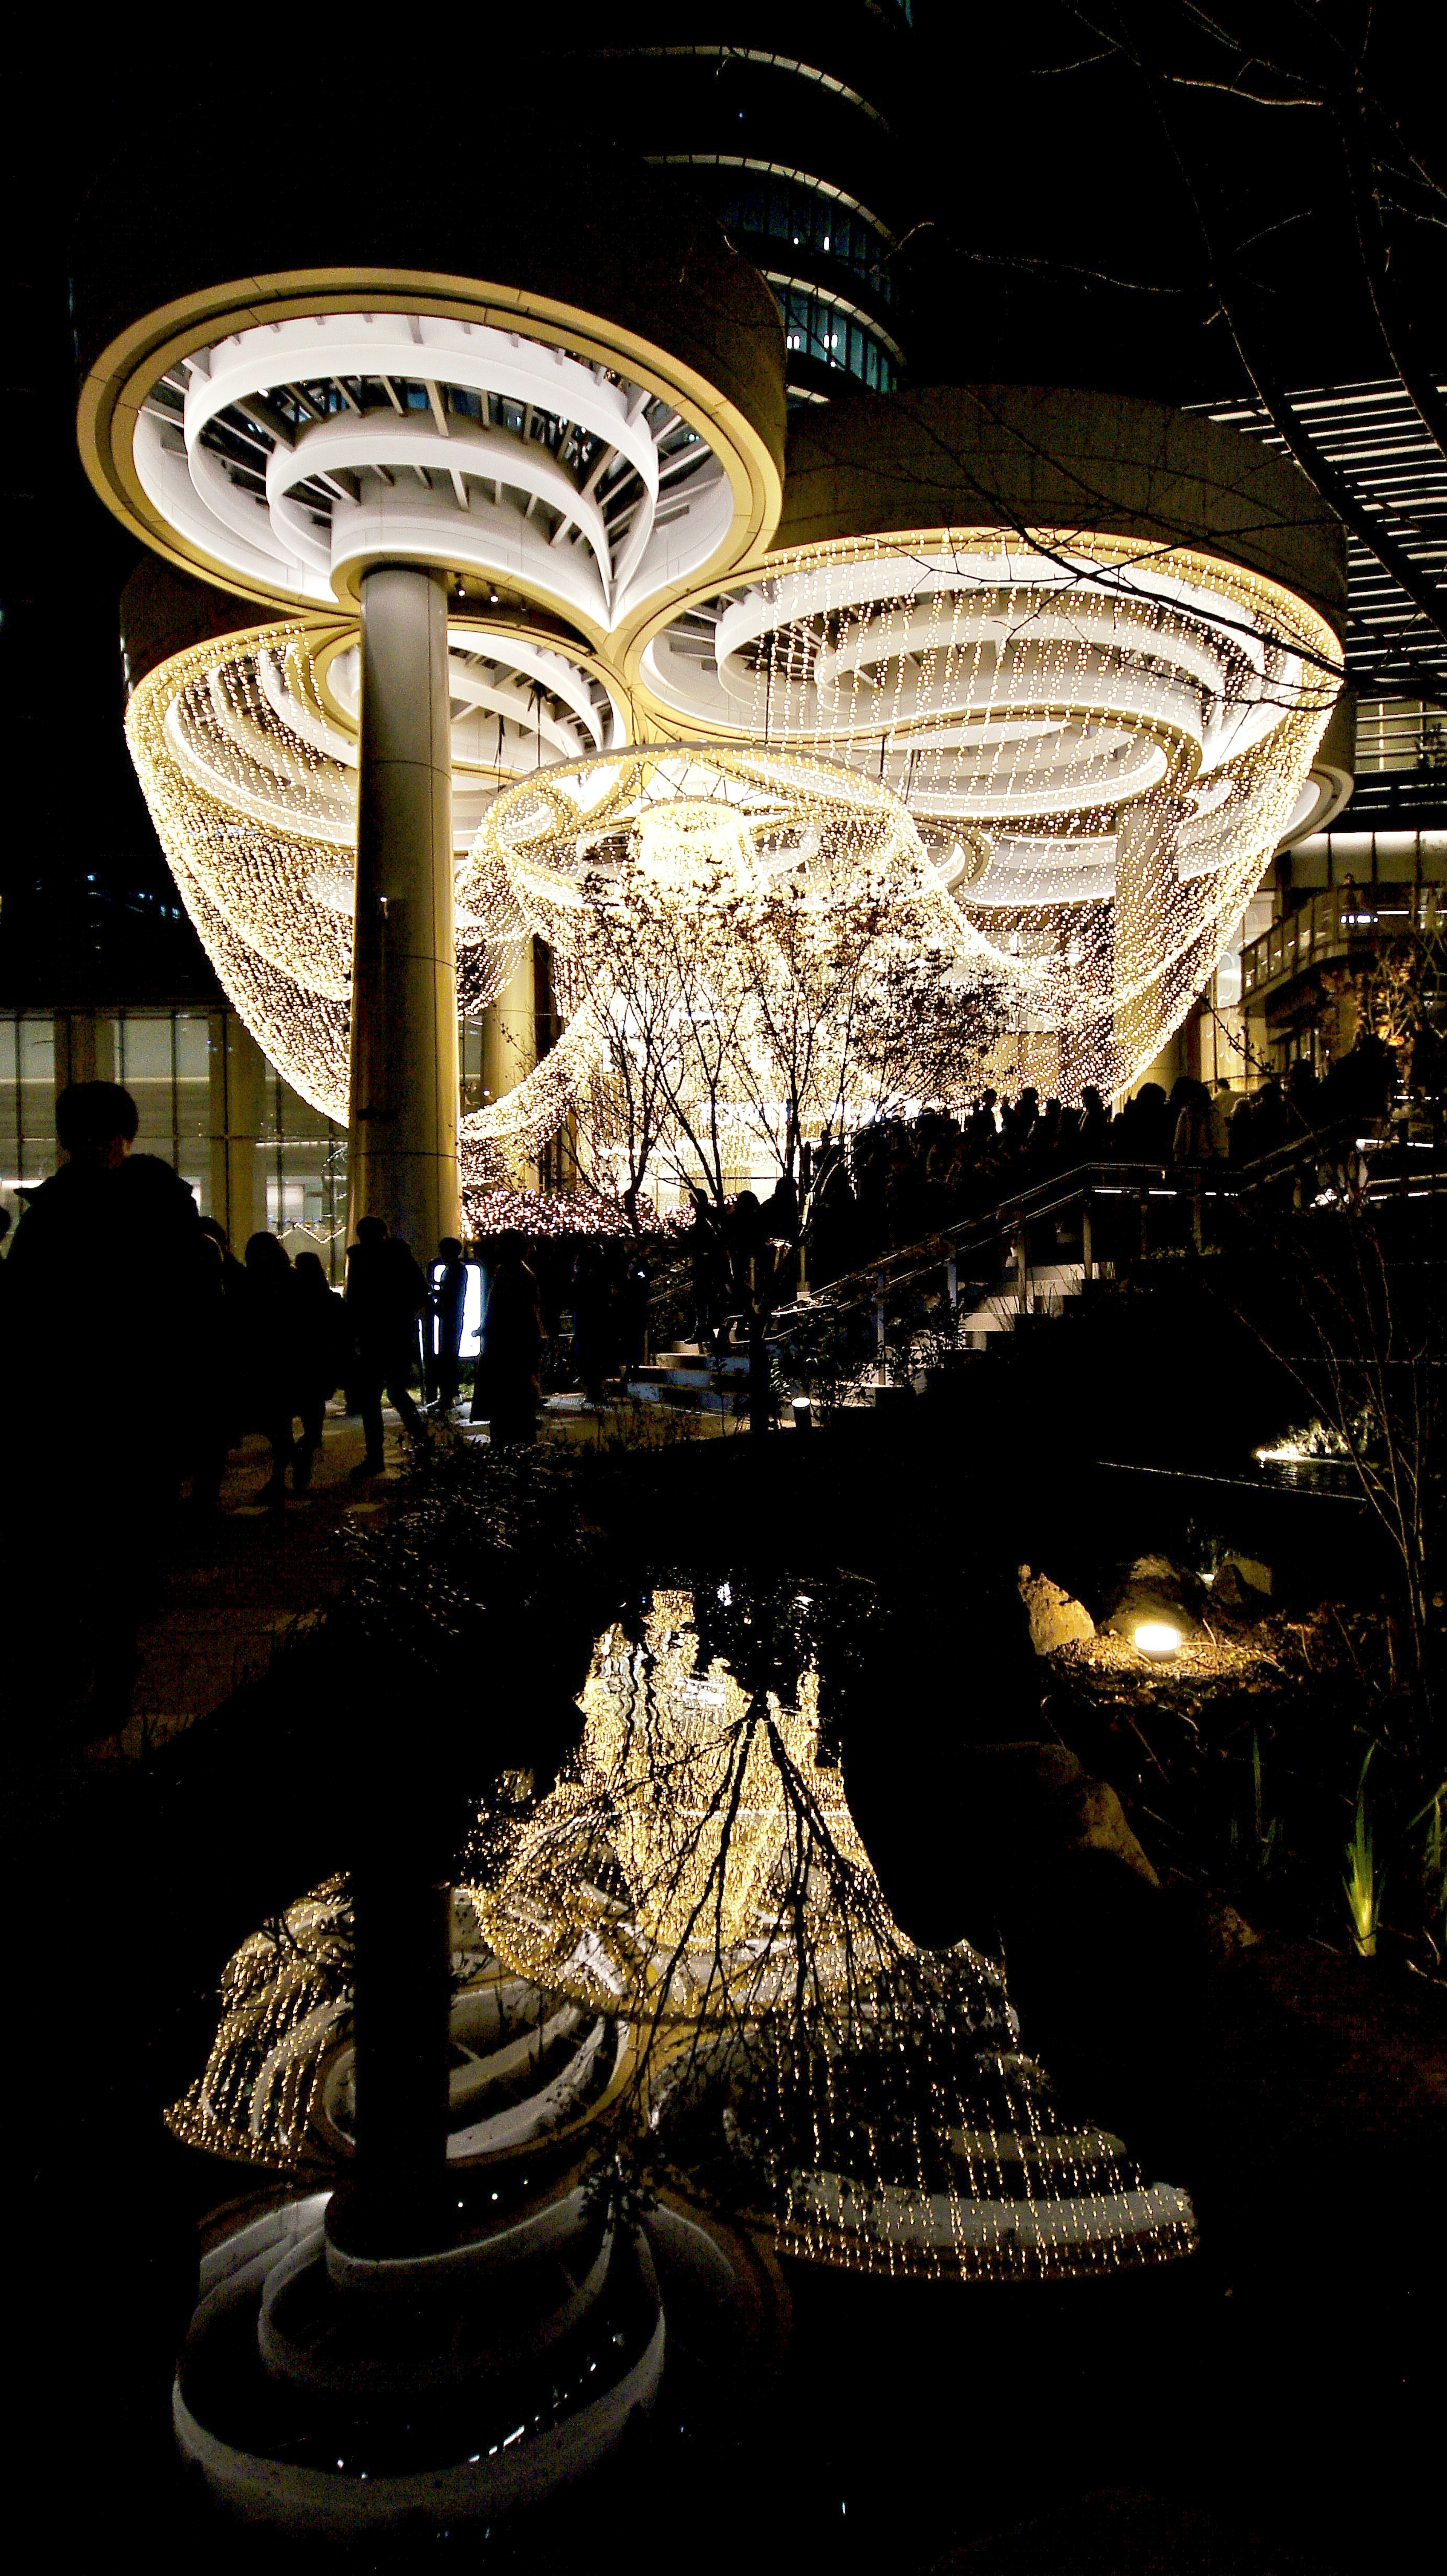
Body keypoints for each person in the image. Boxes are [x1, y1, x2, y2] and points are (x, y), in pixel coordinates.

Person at [345, 1215, 427, 1474]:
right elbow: (419, 1293)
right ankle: (423, 1444)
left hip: (371, 1336)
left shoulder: (360, 1260)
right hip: (397, 1333)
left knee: (371, 1398)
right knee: (396, 1392)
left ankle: (376, 1456)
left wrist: (355, 1332)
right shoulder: (401, 1258)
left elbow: (355, 1301)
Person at [241, 1233, 304, 1503]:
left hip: (268, 1358)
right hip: (283, 1357)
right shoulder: (288, 1278)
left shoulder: (255, 1281)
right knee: (278, 1421)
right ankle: (289, 1466)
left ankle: (282, 1474)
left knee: (273, 1420)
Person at [472, 1231, 544, 1443]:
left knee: (507, 1400)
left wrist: (486, 1328)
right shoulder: (519, 1273)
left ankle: (509, 1443)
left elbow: (509, 1310)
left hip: (507, 1346)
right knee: (515, 1399)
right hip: (515, 1344)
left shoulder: (509, 1273)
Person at [294, 1250, 349, 1478]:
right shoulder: (327, 1296)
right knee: (315, 1398)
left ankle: (311, 1437)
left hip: (303, 1352)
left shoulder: (295, 1293)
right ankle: (314, 1435)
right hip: (324, 1353)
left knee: (308, 1397)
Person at [426, 1236, 469, 1414]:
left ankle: (446, 1397)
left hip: (450, 1317)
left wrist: (433, 1293)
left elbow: (449, 1294)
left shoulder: (454, 1270)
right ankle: (451, 1393)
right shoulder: (457, 1269)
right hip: (453, 1316)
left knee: (447, 1357)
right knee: (449, 1357)